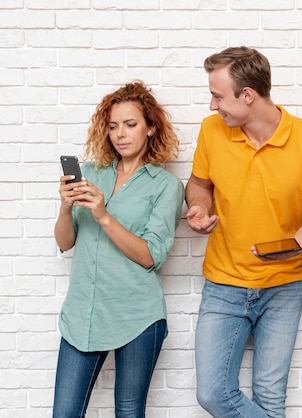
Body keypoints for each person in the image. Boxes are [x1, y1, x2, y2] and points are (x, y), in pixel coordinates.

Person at [185, 46, 302, 418]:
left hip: (283, 287)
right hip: (224, 283)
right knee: (212, 393)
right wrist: (199, 207)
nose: (212, 106)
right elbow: (199, 184)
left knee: (270, 397)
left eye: (218, 96)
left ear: (248, 95)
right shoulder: (212, 131)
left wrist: (295, 244)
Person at [52, 80, 184, 417]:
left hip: (137, 317)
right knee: (64, 413)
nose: (120, 134)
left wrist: (102, 214)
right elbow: (66, 242)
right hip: (84, 314)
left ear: (151, 128)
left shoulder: (166, 186)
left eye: (130, 124)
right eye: (112, 126)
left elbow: (151, 255)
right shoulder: (92, 174)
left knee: (128, 411)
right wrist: (66, 207)